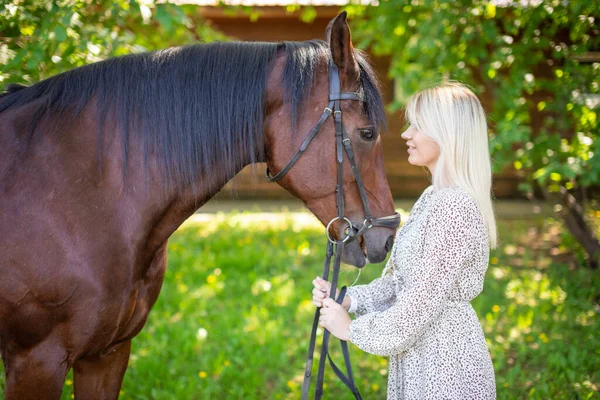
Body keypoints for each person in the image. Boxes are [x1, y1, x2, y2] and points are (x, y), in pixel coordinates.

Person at [312, 82, 498, 399]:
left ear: (447, 134)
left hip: (446, 369)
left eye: (418, 126)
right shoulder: (433, 197)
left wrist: (350, 328)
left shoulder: (453, 208)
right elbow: (400, 284)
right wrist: (348, 299)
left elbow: (412, 313)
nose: (406, 134)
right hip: (421, 361)